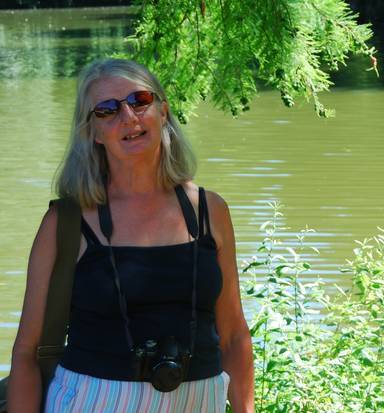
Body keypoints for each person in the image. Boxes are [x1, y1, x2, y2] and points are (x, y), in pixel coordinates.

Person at [7, 58, 255, 412]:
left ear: (163, 112)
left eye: (140, 100)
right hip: (91, 403)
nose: (128, 116)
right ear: (93, 132)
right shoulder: (66, 222)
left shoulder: (209, 211)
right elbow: (27, 351)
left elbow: (234, 337)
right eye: (107, 110)